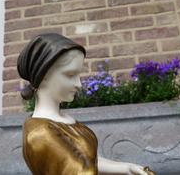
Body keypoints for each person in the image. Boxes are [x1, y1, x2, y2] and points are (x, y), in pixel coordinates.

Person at [17, 33, 155, 175]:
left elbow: (89, 161)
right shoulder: (41, 133)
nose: (79, 84)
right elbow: (82, 171)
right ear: (43, 75)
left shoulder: (61, 120)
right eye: (70, 75)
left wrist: (127, 168)